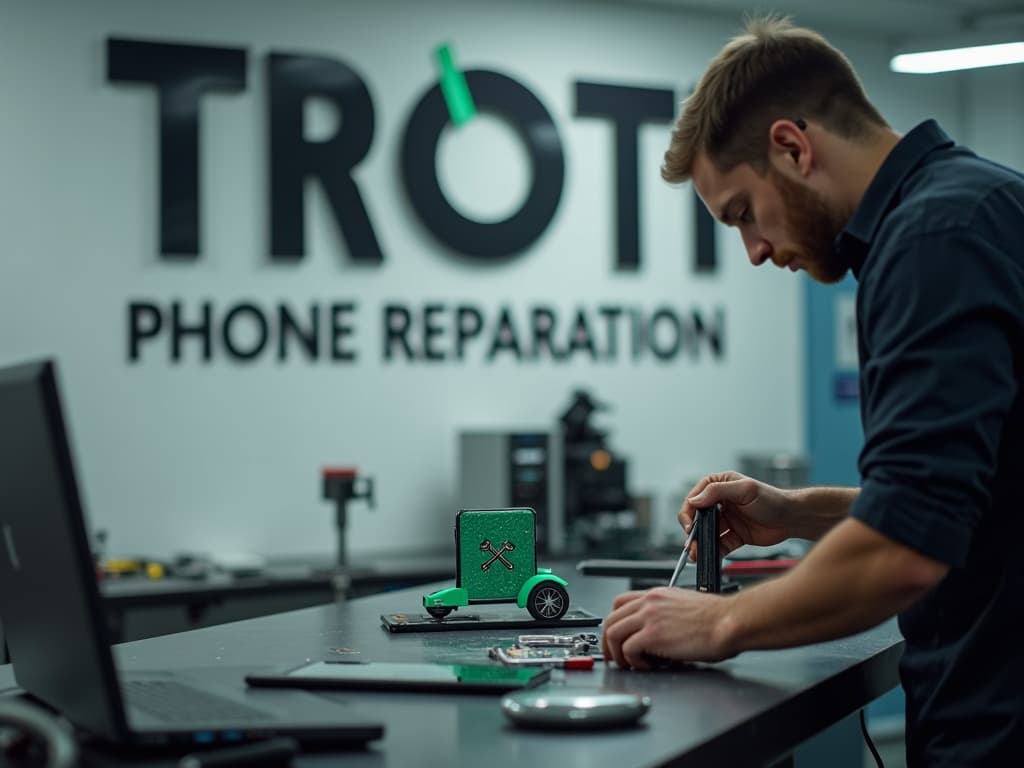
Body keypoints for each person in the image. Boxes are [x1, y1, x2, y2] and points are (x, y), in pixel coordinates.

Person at [599, 15, 1024, 767]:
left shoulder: (935, 240)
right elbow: (971, 499)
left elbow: (906, 551)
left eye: (742, 213)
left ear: (793, 148)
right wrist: (798, 512)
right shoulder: (975, 207)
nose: (755, 251)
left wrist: (716, 623)